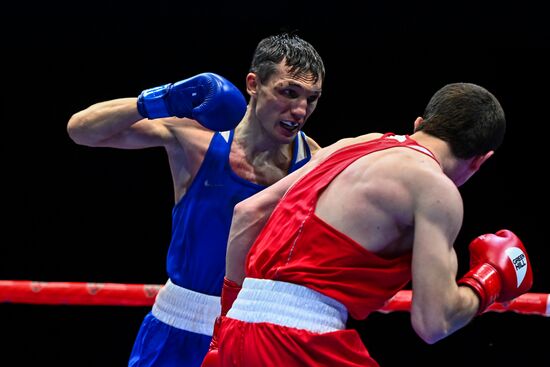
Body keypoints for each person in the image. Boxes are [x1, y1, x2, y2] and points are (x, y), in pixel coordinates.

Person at [205, 82, 534, 367]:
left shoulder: (355, 144)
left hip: (237, 327)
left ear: (420, 124)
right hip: (300, 341)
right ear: (481, 160)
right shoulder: (437, 190)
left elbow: (248, 212)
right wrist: (487, 283)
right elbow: (434, 322)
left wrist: (224, 332)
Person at [66, 32, 325, 367]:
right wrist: (163, 99)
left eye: (312, 98)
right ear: (253, 83)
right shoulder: (196, 139)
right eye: (288, 92)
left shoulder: (313, 162)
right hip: (176, 328)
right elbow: (80, 130)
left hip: (256, 334)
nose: (300, 109)